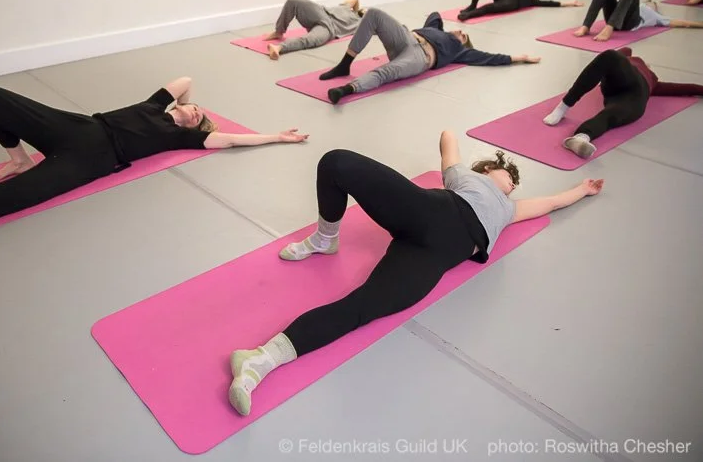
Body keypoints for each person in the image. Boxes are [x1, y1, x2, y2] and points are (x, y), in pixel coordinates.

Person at [226, 135, 604, 416]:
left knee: (362, 307)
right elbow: (448, 143)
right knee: (336, 162)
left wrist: (582, 189)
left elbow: (552, 202)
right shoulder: (465, 179)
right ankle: (327, 238)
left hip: (431, 257)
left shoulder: (510, 208)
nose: (512, 183)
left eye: (514, 183)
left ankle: (259, 360)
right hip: (426, 210)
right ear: (488, 171)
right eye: (507, 175)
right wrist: (460, 143)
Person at [0, 78, 309, 282]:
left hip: (91, 163)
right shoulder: (156, 103)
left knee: (5, 201)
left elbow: (231, 142)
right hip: (76, 127)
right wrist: (187, 102)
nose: (198, 113)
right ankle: (18, 157)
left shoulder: (183, 137)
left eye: (201, 119)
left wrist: (277, 137)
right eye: (197, 109)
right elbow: (186, 80)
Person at [317, 9, 541, 104]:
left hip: (421, 57)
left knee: (388, 72)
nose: (461, 32)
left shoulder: (460, 50)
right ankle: (344, 65)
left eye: (464, 36)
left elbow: (491, 57)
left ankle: (346, 90)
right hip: (406, 37)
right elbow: (435, 14)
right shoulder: (436, 28)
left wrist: (519, 57)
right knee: (374, 14)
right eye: (461, 31)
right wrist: (442, 29)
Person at [544, 48, 703, 158]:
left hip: (633, 96)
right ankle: (564, 106)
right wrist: (629, 54)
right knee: (610, 56)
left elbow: (682, 88)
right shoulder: (633, 61)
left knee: (611, 114)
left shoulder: (655, 82)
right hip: (620, 80)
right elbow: (625, 50)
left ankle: (581, 138)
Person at [574, 0, 703, 42]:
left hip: (630, 23)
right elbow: (622, 4)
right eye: (649, 2)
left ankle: (609, 28)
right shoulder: (633, 4)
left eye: (651, 3)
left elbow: (682, 22)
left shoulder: (656, 15)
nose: (649, 4)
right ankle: (586, 25)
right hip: (617, 16)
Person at [264, 0, 365, 60]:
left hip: (329, 29)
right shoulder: (347, 7)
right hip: (321, 12)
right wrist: (356, 9)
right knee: (293, 0)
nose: (366, 11)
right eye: (365, 10)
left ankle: (278, 48)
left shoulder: (361, 24)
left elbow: (376, 26)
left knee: (309, 40)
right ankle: (279, 31)